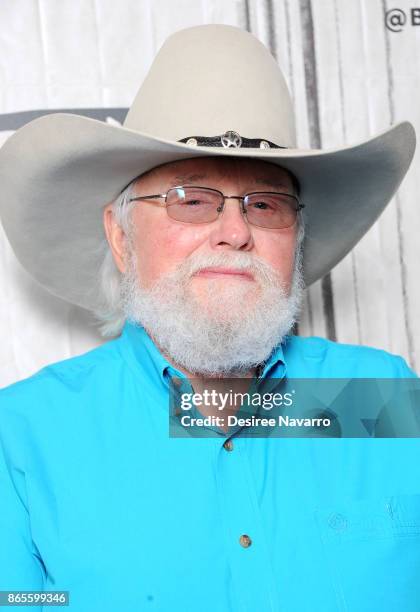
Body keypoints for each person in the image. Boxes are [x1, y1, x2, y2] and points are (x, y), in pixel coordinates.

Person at [0, 24, 419, 612]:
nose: (235, 232)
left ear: (295, 240)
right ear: (121, 238)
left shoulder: (384, 400)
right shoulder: (23, 437)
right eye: (191, 199)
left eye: (266, 204)